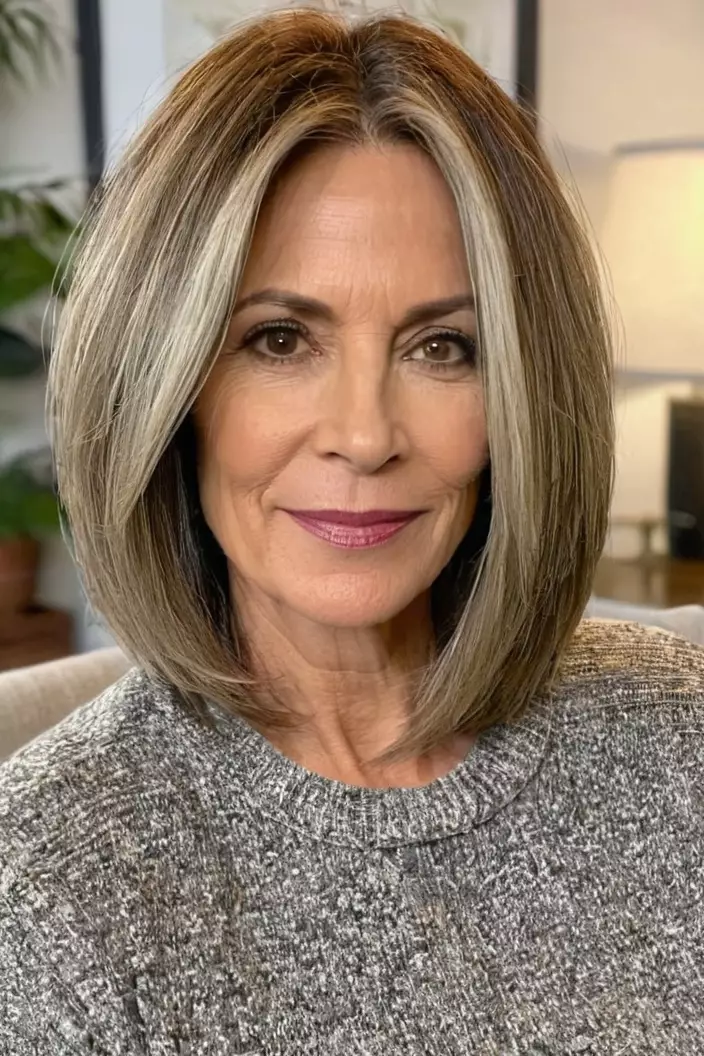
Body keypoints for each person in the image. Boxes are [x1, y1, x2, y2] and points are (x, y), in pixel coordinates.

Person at [1, 7, 702, 1053]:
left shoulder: (675, 732)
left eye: (443, 347)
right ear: (167, 385)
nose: (366, 436)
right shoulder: (46, 890)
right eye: (279, 340)